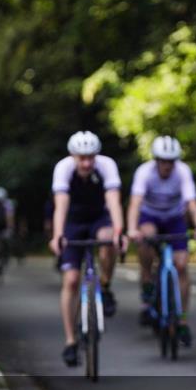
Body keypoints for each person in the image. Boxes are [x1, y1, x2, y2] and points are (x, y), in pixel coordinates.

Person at [49, 131, 126, 367]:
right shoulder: (63, 169)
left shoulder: (107, 166)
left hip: (98, 218)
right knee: (71, 280)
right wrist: (57, 235)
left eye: (91, 157)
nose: (86, 163)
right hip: (73, 221)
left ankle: (105, 285)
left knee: (108, 239)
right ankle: (71, 341)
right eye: (81, 158)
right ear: (73, 156)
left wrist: (119, 231)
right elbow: (60, 205)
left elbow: (113, 201)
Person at [126, 135, 196, 347]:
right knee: (146, 238)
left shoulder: (182, 172)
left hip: (174, 219)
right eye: (163, 161)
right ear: (156, 160)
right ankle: (147, 285)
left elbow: (191, 203)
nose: (167, 166)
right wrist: (132, 229)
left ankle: (181, 319)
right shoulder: (145, 172)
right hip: (150, 216)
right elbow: (135, 203)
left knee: (181, 265)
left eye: (171, 161)